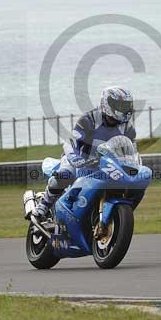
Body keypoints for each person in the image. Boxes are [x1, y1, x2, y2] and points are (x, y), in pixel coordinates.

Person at [32, 86, 136, 220]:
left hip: (105, 165)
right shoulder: (89, 120)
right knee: (65, 175)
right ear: (107, 104)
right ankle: (44, 204)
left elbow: (131, 150)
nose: (124, 109)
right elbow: (71, 142)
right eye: (120, 105)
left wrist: (134, 163)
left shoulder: (128, 128)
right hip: (80, 161)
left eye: (126, 105)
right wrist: (74, 158)